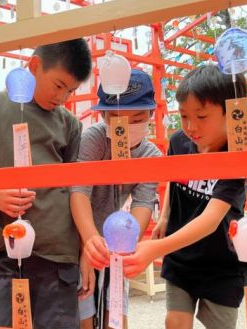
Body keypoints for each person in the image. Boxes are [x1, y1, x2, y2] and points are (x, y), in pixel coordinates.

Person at [0, 39, 92, 329]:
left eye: (70, 90)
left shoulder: (70, 124)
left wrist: (84, 252)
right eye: (58, 85)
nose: (63, 97)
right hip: (0, 250)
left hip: (58, 252)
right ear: (34, 66)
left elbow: (78, 190)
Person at [123, 65, 247, 329]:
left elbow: (211, 220)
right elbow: (174, 178)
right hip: (180, 256)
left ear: (230, 112)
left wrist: (156, 248)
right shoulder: (179, 142)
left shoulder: (239, 154)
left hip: (222, 264)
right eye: (183, 116)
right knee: (175, 322)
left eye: (201, 116)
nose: (191, 127)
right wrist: (165, 216)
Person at [70, 69, 161, 329]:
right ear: (103, 115)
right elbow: (79, 192)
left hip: (118, 240)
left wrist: (126, 246)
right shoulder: (95, 139)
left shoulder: (150, 155)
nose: (129, 126)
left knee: (117, 307)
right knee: (83, 301)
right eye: (118, 118)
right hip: (81, 234)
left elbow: (143, 204)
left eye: (138, 118)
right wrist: (88, 243)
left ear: (151, 115)